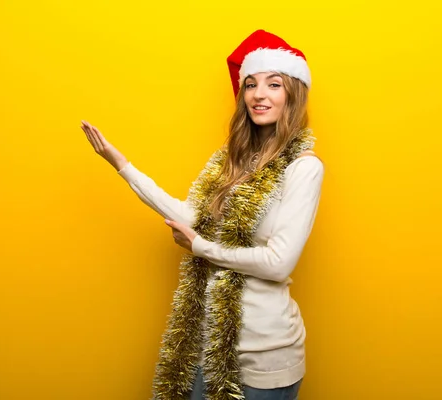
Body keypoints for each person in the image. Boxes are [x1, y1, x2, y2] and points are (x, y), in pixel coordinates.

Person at [80, 29, 324, 400]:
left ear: (293, 93)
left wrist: (201, 248)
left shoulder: (303, 168)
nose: (259, 94)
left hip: (265, 355)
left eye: (274, 84)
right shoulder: (234, 162)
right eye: (251, 84)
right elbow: (190, 216)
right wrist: (121, 164)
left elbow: (278, 263)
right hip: (206, 343)